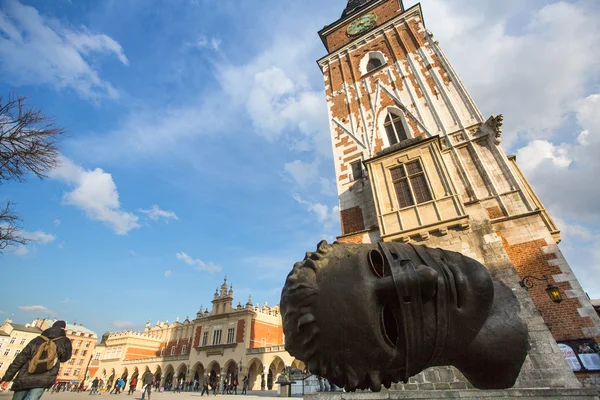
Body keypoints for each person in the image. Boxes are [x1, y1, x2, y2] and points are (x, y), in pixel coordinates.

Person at [0, 321, 72, 400]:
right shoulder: (65, 341)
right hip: (44, 379)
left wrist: (7, 378)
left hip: (25, 376)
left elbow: (19, 359)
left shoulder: (37, 339)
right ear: (64, 329)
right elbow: (65, 358)